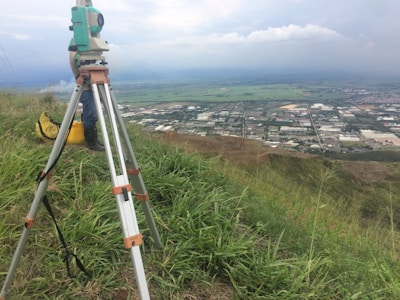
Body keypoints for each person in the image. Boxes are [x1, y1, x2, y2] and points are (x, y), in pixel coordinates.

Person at [69, 51, 104, 151]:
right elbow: (78, 65)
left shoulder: (76, 50)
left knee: (91, 113)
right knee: (90, 115)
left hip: (88, 85)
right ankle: (91, 143)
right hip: (86, 87)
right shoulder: (77, 51)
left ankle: (93, 140)